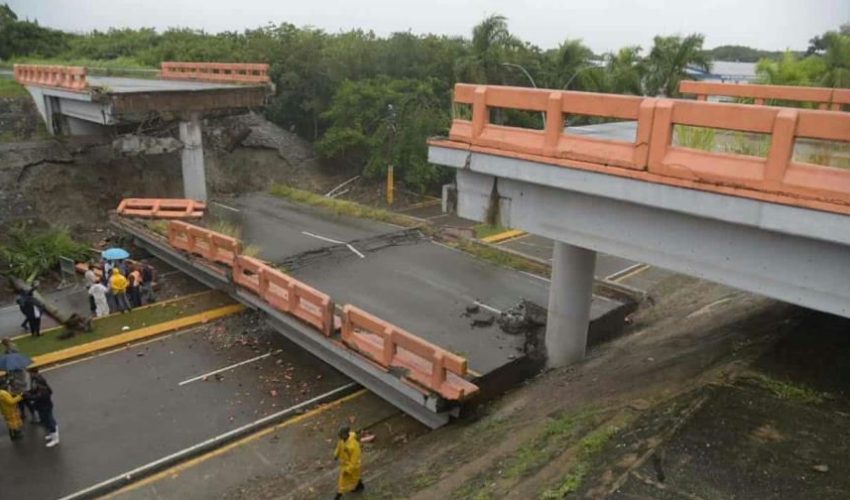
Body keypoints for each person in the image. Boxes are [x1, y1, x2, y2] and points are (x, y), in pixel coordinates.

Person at [26, 368, 58, 447]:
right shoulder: (38, 383)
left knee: (50, 421)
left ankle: (55, 439)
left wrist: (29, 396)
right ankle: (51, 434)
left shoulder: (43, 390)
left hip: (45, 407)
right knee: (46, 421)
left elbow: (37, 397)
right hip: (42, 407)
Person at [333, 425, 364, 499]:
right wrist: (336, 454)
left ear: (345, 434)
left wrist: (348, 469)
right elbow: (339, 447)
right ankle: (359, 485)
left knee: (342, 481)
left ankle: (338, 495)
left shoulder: (354, 445)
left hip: (352, 466)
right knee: (354, 477)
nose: (339, 437)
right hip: (346, 464)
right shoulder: (342, 440)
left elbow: (355, 459)